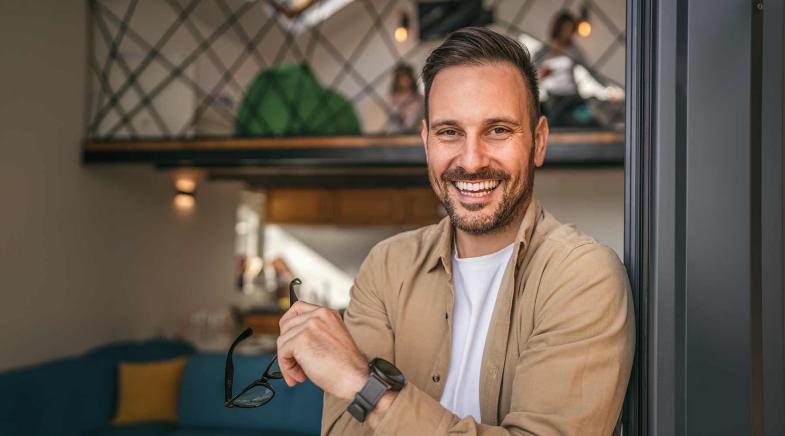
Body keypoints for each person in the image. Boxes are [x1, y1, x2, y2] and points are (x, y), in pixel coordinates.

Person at [275, 27, 635, 435]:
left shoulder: (582, 277)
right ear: (427, 142)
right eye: (450, 132)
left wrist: (363, 384)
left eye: (498, 130)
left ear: (538, 141)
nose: (471, 160)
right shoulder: (387, 266)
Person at [534, 11, 592, 127]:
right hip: (553, 98)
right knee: (554, 124)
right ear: (558, 28)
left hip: (571, 96)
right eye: (565, 29)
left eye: (570, 29)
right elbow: (533, 75)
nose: (567, 33)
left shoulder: (573, 50)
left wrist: (608, 89)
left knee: (585, 122)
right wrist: (543, 74)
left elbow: (590, 71)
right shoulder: (544, 50)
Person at [387, 62, 424, 133]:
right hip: (395, 133)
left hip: (415, 133)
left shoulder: (419, 98)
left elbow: (420, 115)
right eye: (401, 77)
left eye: (407, 77)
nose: (405, 80)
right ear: (397, 79)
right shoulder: (391, 97)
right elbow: (391, 114)